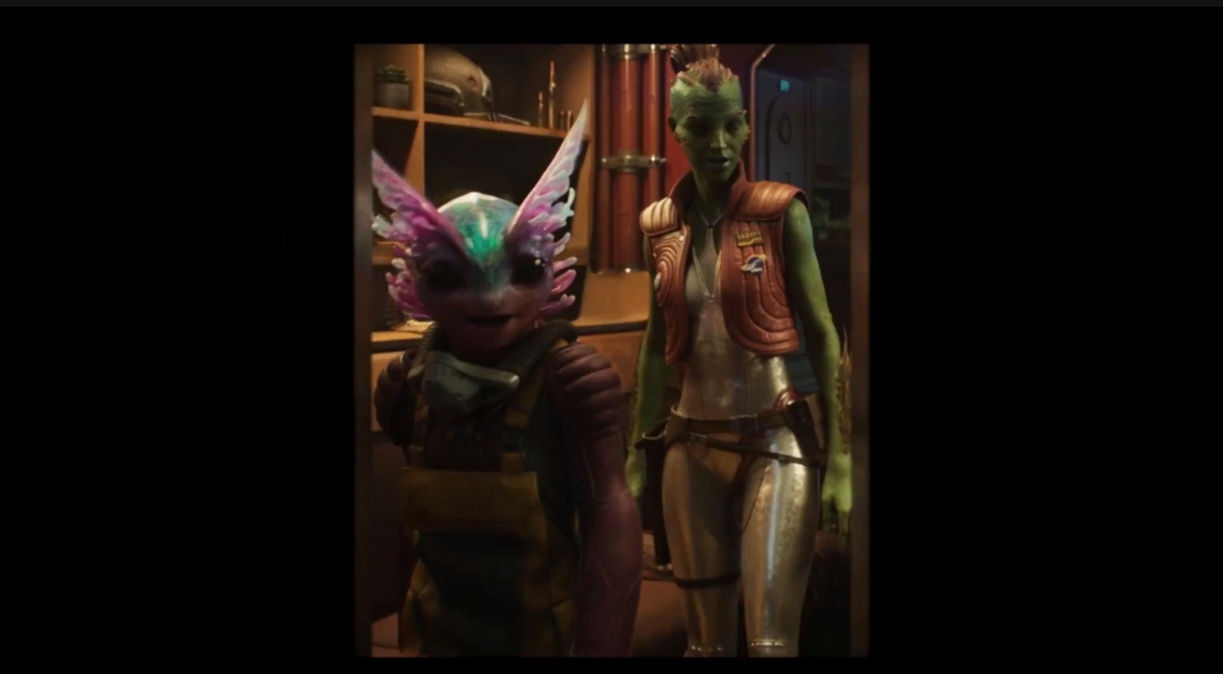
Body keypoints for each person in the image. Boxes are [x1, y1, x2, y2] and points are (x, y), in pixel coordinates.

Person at [371, 103, 642, 657]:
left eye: (524, 270)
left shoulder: (566, 380)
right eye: (449, 275)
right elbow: (407, 530)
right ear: (415, 279)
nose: (492, 298)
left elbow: (610, 513)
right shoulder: (412, 383)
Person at [627, 45, 851, 657]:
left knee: (771, 643)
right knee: (705, 645)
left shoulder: (780, 213)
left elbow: (823, 333)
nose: (719, 143)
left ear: (748, 124)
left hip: (773, 437)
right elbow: (655, 343)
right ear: (676, 129)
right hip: (690, 443)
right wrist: (637, 453)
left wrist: (840, 461)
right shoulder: (658, 225)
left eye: (731, 125)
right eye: (701, 128)